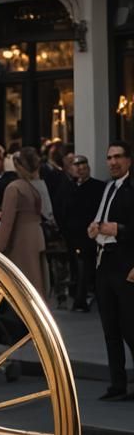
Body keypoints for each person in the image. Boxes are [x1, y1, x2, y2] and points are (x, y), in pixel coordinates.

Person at [89, 141, 134, 401]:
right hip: (104, 261)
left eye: (118, 157)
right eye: (109, 158)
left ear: (128, 160)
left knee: (130, 327)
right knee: (110, 328)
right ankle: (117, 383)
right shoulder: (108, 187)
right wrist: (95, 228)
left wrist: (118, 229)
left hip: (126, 264)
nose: (113, 162)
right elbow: (102, 218)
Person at [0, 146, 47, 297]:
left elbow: (7, 223)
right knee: (36, 282)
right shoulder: (37, 186)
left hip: (20, 240)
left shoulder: (14, 188)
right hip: (36, 236)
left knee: (21, 288)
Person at [60, 154, 105, 311]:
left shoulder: (99, 187)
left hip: (91, 233)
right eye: (76, 166)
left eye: (83, 166)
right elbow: (62, 210)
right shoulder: (68, 188)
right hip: (71, 235)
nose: (80, 169)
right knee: (77, 267)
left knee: (85, 266)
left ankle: (82, 298)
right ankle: (79, 296)